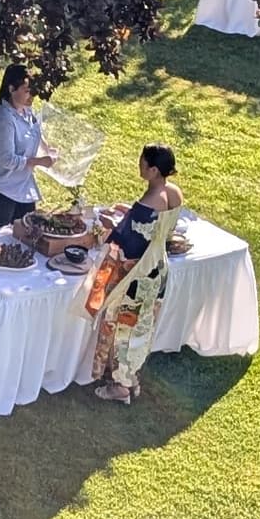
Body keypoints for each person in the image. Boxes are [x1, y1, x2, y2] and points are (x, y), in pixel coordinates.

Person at [81, 143, 184, 404]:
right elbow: (158, 228)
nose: (139, 166)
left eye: (143, 163)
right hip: (158, 268)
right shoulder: (173, 193)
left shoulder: (149, 202)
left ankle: (120, 385)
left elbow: (128, 241)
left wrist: (109, 226)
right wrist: (127, 215)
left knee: (124, 326)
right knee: (142, 327)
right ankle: (131, 376)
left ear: (154, 169)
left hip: (137, 273)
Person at [0, 63, 45, 232]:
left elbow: (33, 134)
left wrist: (48, 150)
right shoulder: (3, 119)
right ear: (12, 89)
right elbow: (7, 160)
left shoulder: (27, 113)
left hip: (22, 187)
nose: (32, 95)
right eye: (27, 91)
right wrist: (38, 161)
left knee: (28, 235)